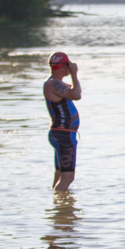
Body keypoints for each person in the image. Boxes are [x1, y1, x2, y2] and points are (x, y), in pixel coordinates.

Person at [44, 52, 82, 191]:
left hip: (62, 135)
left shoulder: (55, 83)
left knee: (60, 175)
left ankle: (57, 208)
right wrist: (74, 74)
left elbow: (75, 90)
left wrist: (72, 74)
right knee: (68, 177)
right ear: (64, 66)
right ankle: (60, 207)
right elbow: (77, 94)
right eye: (69, 64)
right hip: (64, 135)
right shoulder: (52, 84)